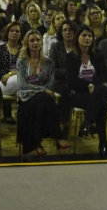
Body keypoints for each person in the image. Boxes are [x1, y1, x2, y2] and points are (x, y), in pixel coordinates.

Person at [15, 30, 68, 158]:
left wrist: (44, 91)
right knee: (45, 100)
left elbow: (51, 83)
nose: (35, 43)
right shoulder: (21, 62)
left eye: (38, 40)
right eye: (32, 40)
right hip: (26, 98)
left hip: (42, 100)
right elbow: (22, 85)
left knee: (41, 103)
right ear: (27, 43)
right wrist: (42, 90)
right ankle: (58, 137)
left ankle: (37, 144)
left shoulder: (48, 62)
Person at [66, 26, 107, 157]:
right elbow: (72, 82)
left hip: (96, 92)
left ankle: (88, 122)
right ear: (78, 38)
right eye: (84, 35)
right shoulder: (70, 57)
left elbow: (105, 75)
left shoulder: (97, 54)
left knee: (101, 92)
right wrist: (90, 85)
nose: (87, 38)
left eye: (90, 36)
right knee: (102, 104)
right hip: (79, 94)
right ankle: (103, 143)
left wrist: (94, 85)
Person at [0, 22, 23, 124]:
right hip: (3, 83)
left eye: (17, 31)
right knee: (23, 82)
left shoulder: (24, 50)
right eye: (11, 30)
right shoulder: (0, 49)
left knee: (22, 91)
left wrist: (11, 74)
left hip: (18, 82)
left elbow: (28, 69)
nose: (14, 33)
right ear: (7, 33)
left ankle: (23, 118)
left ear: (21, 34)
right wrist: (16, 74)